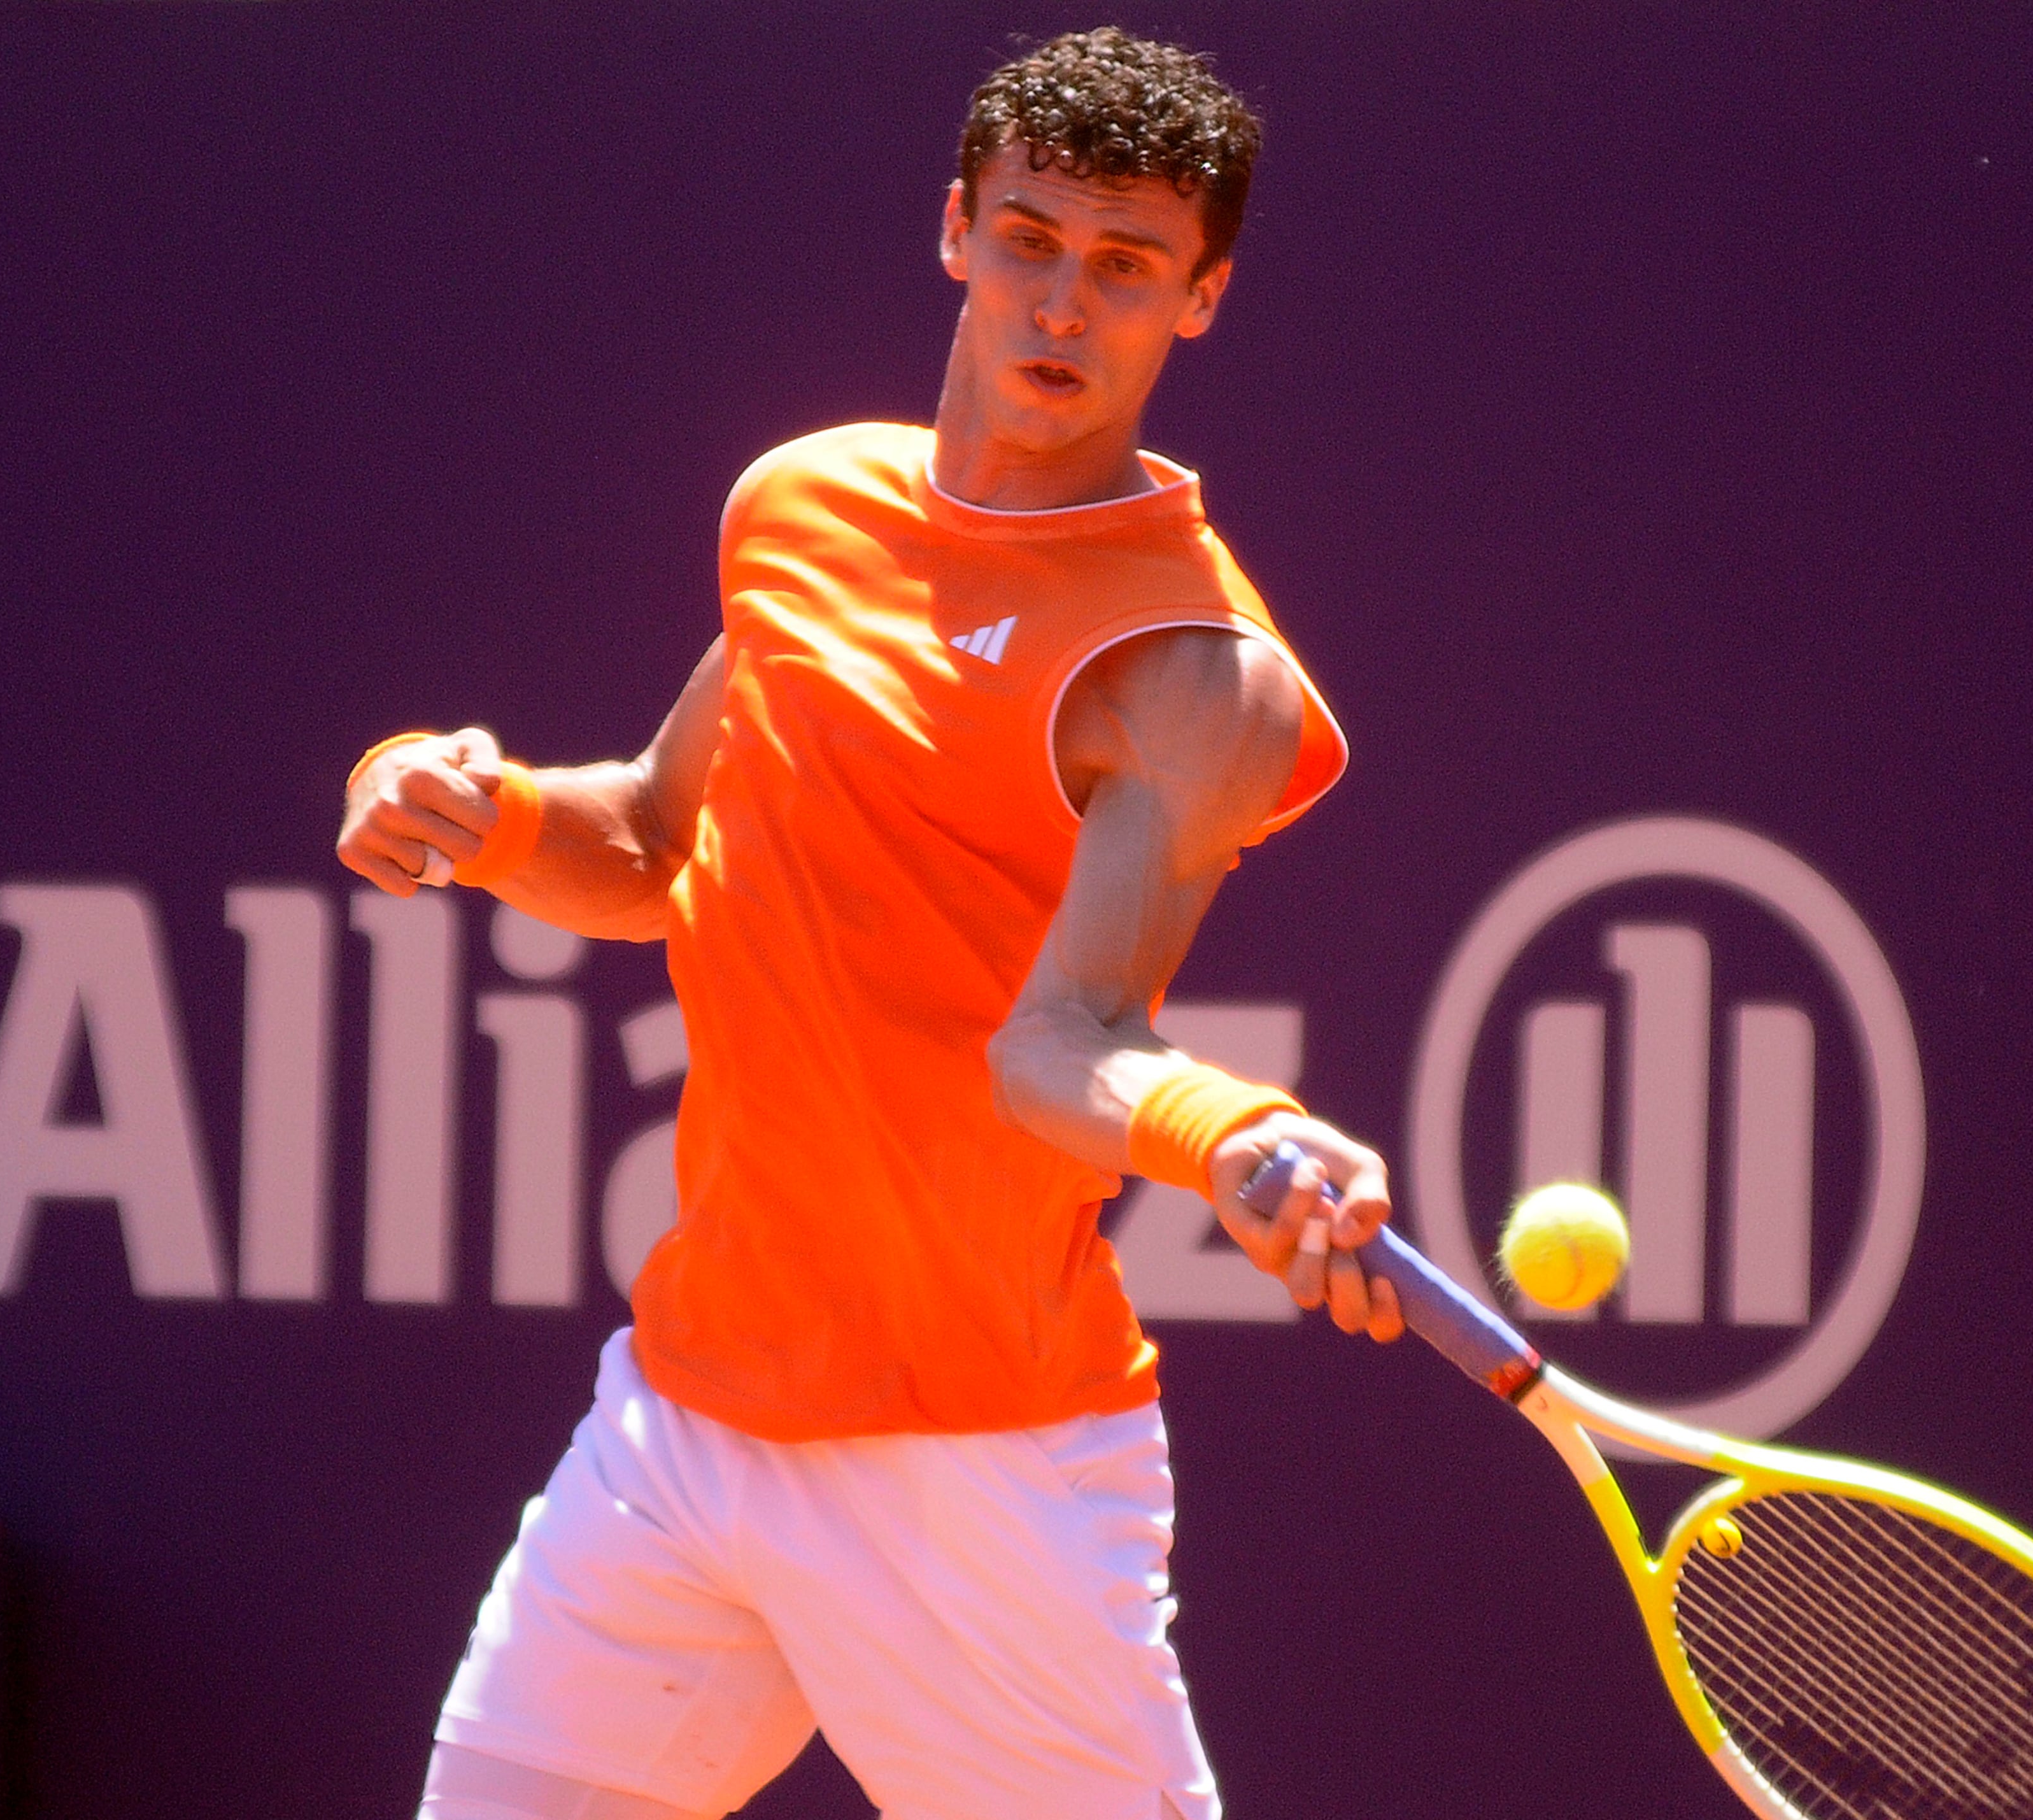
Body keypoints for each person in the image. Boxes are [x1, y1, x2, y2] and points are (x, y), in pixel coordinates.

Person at [338, 28, 1402, 1820]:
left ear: (1200, 298)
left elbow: (1062, 1047)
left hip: (977, 1475)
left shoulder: (1197, 674)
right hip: (684, 1420)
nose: (1063, 303)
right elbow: (658, 837)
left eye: (1127, 267)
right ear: (957, 233)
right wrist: (474, 808)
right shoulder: (801, 503)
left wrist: (1231, 1133)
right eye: (1031, 239)